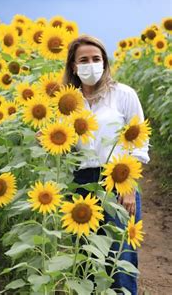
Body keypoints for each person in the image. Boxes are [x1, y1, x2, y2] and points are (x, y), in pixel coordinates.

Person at [63, 35, 149, 294]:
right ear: (74, 67)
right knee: (85, 257)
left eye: (96, 59)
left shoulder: (123, 94)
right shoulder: (67, 102)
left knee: (119, 258)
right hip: (80, 181)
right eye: (84, 60)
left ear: (104, 62)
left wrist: (128, 186)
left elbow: (139, 144)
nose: (91, 65)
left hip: (117, 179)